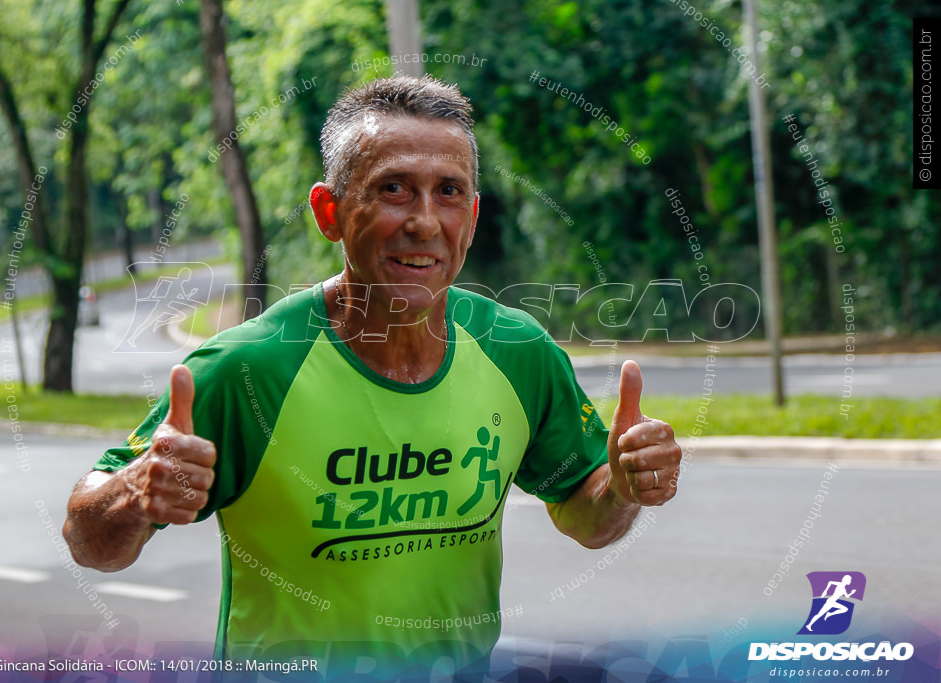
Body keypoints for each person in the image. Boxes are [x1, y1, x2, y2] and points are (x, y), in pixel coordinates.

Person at [63, 75, 683, 680]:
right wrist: (136, 490)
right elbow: (90, 541)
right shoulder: (246, 371)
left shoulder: (517, 352)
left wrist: (623, 489)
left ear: (471, 216)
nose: (423, 221)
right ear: (329, 211)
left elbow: (585, 516)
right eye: (393, 189)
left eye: (447, 192)